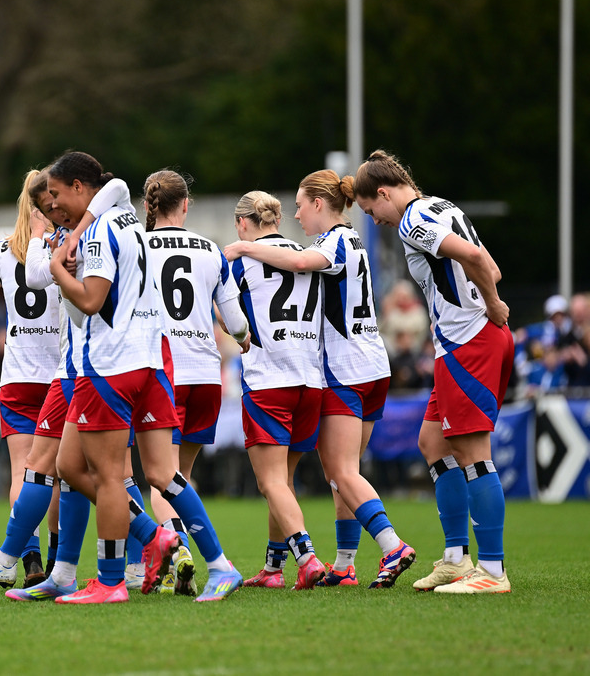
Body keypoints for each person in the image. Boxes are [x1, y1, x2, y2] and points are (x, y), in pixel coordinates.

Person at [47, 152, 243, 604]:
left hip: (113, 367)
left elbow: (91, 302)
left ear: (80, 187)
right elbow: (114, 187)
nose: (54, 206)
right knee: (151, 472)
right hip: (156, 362)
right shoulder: (126, 218)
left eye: (57, 195)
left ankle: (112, 581)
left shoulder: (97, 232)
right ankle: (218, 564)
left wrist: (60, 269)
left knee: (108, 476)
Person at [224, 169, 415, 589]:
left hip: (344, 369)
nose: (296, 215)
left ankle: (392, 546)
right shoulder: (352, 240)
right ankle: (344, 564)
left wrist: (244, 247)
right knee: (344, 473)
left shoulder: (335, 240)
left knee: (341, 471)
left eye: (299, 205)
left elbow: (295, 260)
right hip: (369, 364)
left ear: (317, 204)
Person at [350, 149, 513, 593]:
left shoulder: (411, 218)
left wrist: (492, 306)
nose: (376, 220)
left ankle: (493, 572)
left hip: (469, 341)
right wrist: (487, 298)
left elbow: (477, 263)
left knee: (472, 452)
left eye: (371, 210)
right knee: (432, 443)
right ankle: (457, 560)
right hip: (459, 344)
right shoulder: (442, 205)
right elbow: (488, 263)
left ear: (384, 193)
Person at [141, 169, 250, 596]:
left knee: (159, 477)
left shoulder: (137, 247)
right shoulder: (209, 248)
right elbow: (236, 323)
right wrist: (241, 339)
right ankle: (181, 562)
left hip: (162, 371)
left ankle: (179, 553)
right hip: (207, 372)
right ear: (186, 205)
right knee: (181, 475)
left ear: (148, 208)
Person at [0, 169, 69, 586]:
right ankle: (57, 563)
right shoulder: (62, 243)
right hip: (58, 373)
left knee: (22, 473)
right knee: (56, 473)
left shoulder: (5, 249)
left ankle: (29, 559)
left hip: (19, 374)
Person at [225, 190, 327, 591]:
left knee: (270, 482)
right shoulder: (302, 253)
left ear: (242, 223)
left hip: (270, 380)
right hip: (310, 380)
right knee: (282, 479)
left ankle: (307, 557)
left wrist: (239, 334)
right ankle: (272, 568)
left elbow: (227, 310)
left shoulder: (243, 257)